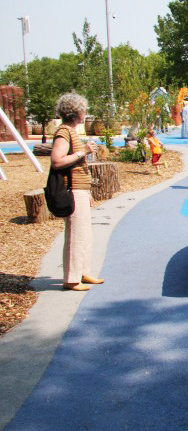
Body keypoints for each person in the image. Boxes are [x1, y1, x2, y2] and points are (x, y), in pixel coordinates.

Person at [50, 93, 103, 291]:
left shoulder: (70, 131)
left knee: (85, 234)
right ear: (77, 112)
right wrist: (84, 151)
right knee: (76, 235)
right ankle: (71, 279)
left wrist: (87, 190)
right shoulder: (64, 132)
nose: (85, 114)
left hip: (80, 188)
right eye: (84, 110)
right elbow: (57, 161)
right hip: (71, 189)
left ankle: (82, 271)